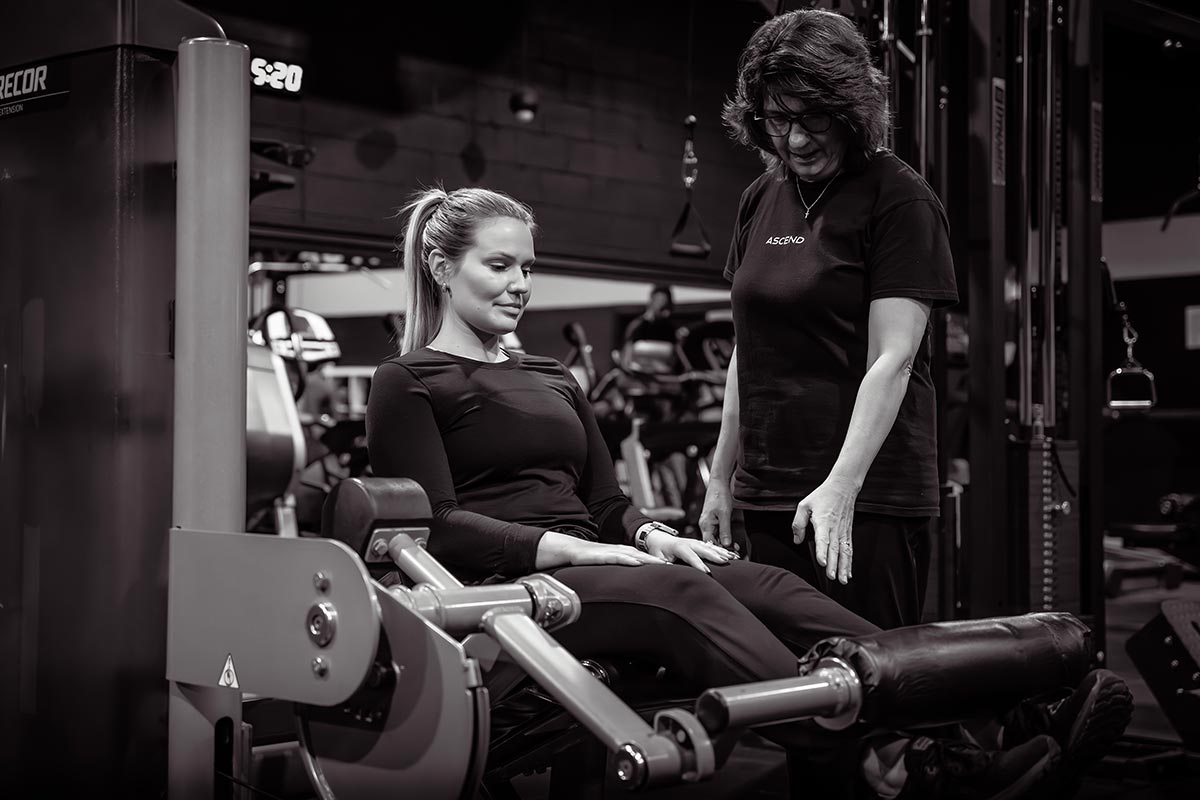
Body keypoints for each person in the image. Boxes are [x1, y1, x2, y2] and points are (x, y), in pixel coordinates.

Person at [364, 185, 1128, 799]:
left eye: (529, 268)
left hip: (603, 562)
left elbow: (605, 499)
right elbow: (440, 526)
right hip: (519, 593)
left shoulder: (550, 375)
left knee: (764, 584)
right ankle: (909, 758)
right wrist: (565, 548)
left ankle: (989, 713)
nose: (521, 285)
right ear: (441, 268)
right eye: (500, 268)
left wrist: (648, 535)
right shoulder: (409, 382)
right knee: (682, 597)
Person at [700, 8, 959, 631]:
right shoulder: (761, 197)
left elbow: (892, 359)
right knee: (780, 692)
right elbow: (748, 348)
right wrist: (721, 476)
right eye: (777, 119)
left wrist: (842, 486)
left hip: (865, 493)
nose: (794, 140)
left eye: (812, 117)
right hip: (767, 490)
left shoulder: (898, 196)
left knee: (866, 686)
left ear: (849, 109)